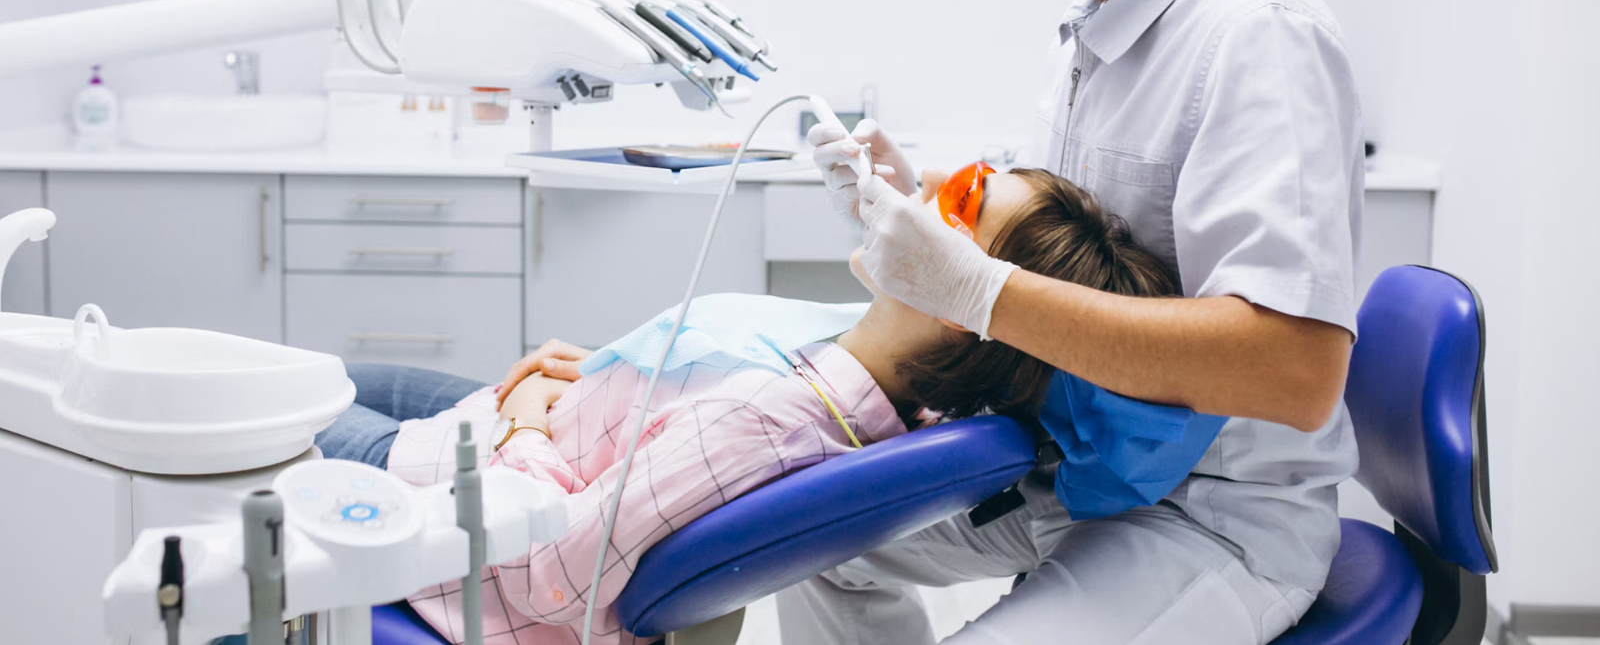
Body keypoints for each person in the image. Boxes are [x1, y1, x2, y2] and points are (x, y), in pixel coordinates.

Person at [795, 0, 1365, 645]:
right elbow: (1064, 253)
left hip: (1214, 512)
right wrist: (918, 214)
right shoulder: (1102, 24)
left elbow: (1295, 371)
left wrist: (981, 290)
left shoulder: (1259, 34)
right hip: (1084, 469)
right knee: (815, 542)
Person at [315, 166, 1182, 645]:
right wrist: (619, 373)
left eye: (959, 202)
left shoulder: (767, 430)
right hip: (543, 431)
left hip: (454, 509)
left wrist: (530, 415)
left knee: (264, 409)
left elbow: (556, 576)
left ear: (967, 311)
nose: (919, 199)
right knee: (340, 373)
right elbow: (685, 421)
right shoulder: (889, 383)